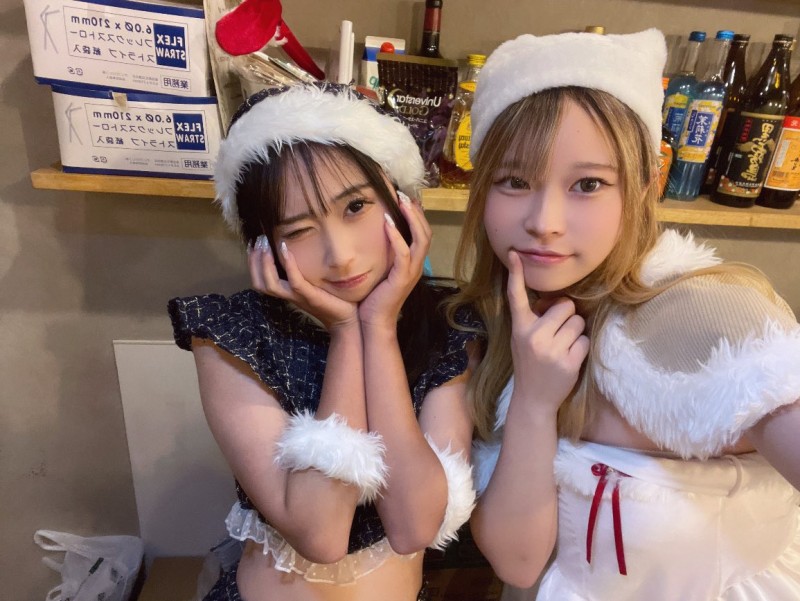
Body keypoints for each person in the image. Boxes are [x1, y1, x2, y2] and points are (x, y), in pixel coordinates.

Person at [445, 29, 800, 600]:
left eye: (588, 184)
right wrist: (534, 402)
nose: (544, 222)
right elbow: (516, 561)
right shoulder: (481, 325)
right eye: (514, 181)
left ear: (643, 186)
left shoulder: (703, 314)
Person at [168, 82, 481, 601]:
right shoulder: (230, 334)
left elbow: (414, 527)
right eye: (298, 230)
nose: (340, 255)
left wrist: (378, 330)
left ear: (401, 203)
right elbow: (320, 533)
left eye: (356, 206)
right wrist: (346, 333)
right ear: (264, 244)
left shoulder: (449, 325)